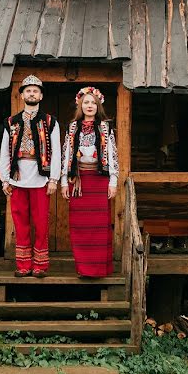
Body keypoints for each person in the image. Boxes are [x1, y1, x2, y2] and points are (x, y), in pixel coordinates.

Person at [0, 75, 61, 278]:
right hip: (17, 179)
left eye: (35, 90)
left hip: (41, 179)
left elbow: (57, 152)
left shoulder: (50, 122)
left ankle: (40, 266)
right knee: (20, 222)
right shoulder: (11, 122)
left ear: (41, 95)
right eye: (28, 90)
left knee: (41, 222)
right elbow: (5, 153)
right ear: (22, 95)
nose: (32, 93)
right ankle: (23, 265)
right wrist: (5, 179)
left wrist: (53, 179)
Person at [60, 86, 119, 278]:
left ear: (98, 105)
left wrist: (113, 181)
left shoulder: (105, 126)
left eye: (93, 102)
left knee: (99, 226)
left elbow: (113, 154)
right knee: (80, 225)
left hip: (99, 180)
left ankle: (99, 269)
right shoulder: (72, 127)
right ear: (80, 105)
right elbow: (66, 154)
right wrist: (63, 181)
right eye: (86, 102)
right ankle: (84, 269)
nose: (90, 105)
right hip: (79, 181)